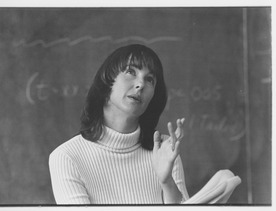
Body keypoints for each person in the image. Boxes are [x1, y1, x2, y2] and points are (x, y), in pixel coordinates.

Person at [49, 44, 189, 204]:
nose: (141, 84)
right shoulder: (67, 157)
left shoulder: (165, 150)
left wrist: (167, 182)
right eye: (131, 72)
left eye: (149, 79)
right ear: (106, 82)